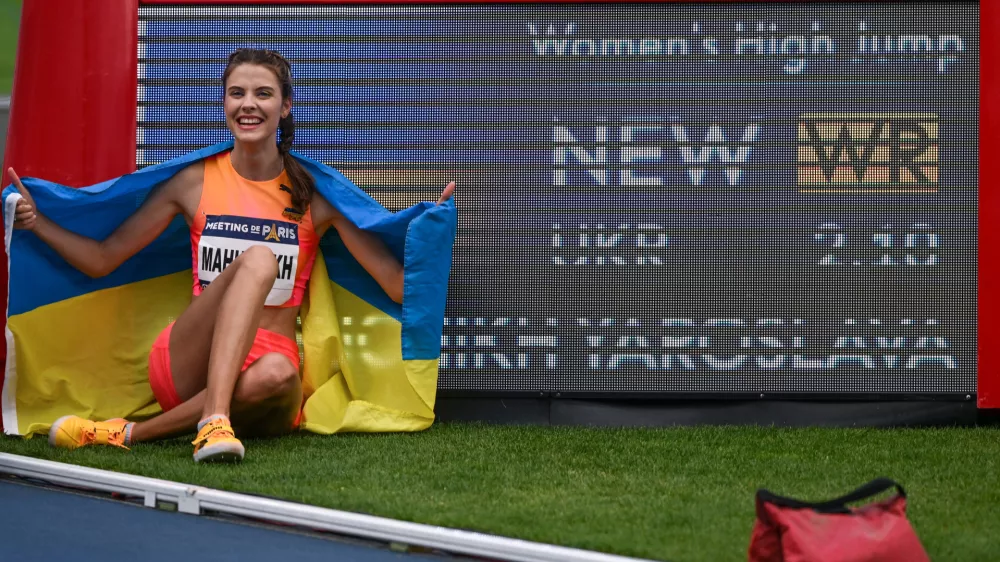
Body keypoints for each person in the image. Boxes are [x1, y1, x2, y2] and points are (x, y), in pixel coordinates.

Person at [5, 48, 455, 463]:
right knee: (259, 260)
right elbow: (102, 258)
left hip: (269, 370)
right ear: (224, 104)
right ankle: (214, 419)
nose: (249, 104)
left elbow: (397, 285)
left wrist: (431, 233)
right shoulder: (192, 183)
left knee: (279, 374)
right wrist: (36, 223)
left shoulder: (313, 195)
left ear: (286, 106)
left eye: (264, 94)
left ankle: (130, 433)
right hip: (188, 362)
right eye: (236, 93)